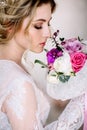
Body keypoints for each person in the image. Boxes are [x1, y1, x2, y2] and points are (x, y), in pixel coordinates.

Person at [0, 0, 85, 130]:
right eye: (38, 25)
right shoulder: (19, 82)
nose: (48, 33)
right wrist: (81, 103)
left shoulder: (8, 67)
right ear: (10, 24)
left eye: (48, 23)